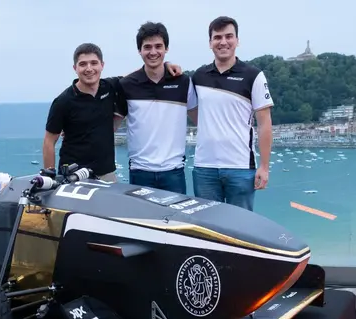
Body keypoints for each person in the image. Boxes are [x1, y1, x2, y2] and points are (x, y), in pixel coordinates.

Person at [189, 16, 274, 211]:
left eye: (229, 36)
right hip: (204, 168)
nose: (223, 42)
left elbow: (264, 123)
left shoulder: (253, 75)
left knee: (242, 228)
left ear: (237, 40)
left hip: (241, 168)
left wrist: (264, 166)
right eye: (217, 37)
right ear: (210, 43)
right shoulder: (199, 76)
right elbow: (193, 110)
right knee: (207, 227)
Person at [115, 22, 197, 194]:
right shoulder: (127, 85)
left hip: (174, 172)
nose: (153, 52)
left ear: (166, 48)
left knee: (176, 222)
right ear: (139, 50)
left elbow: (200, 121)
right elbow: (111, 126)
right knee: (142, 221)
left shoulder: (183, 82)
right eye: (147, 47)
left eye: (158, 46)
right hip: (139, 172)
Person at [42, 43, 122, 182]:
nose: (89, 69)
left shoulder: (109, 87)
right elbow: (49, 141)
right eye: (83, 64)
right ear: (75, 68)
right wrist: (50, 177)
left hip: (106, 174)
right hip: (74, 176)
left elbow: (137, 77)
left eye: (94, 63)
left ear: (102, 65)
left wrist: (166, 65)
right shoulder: (63, 101)